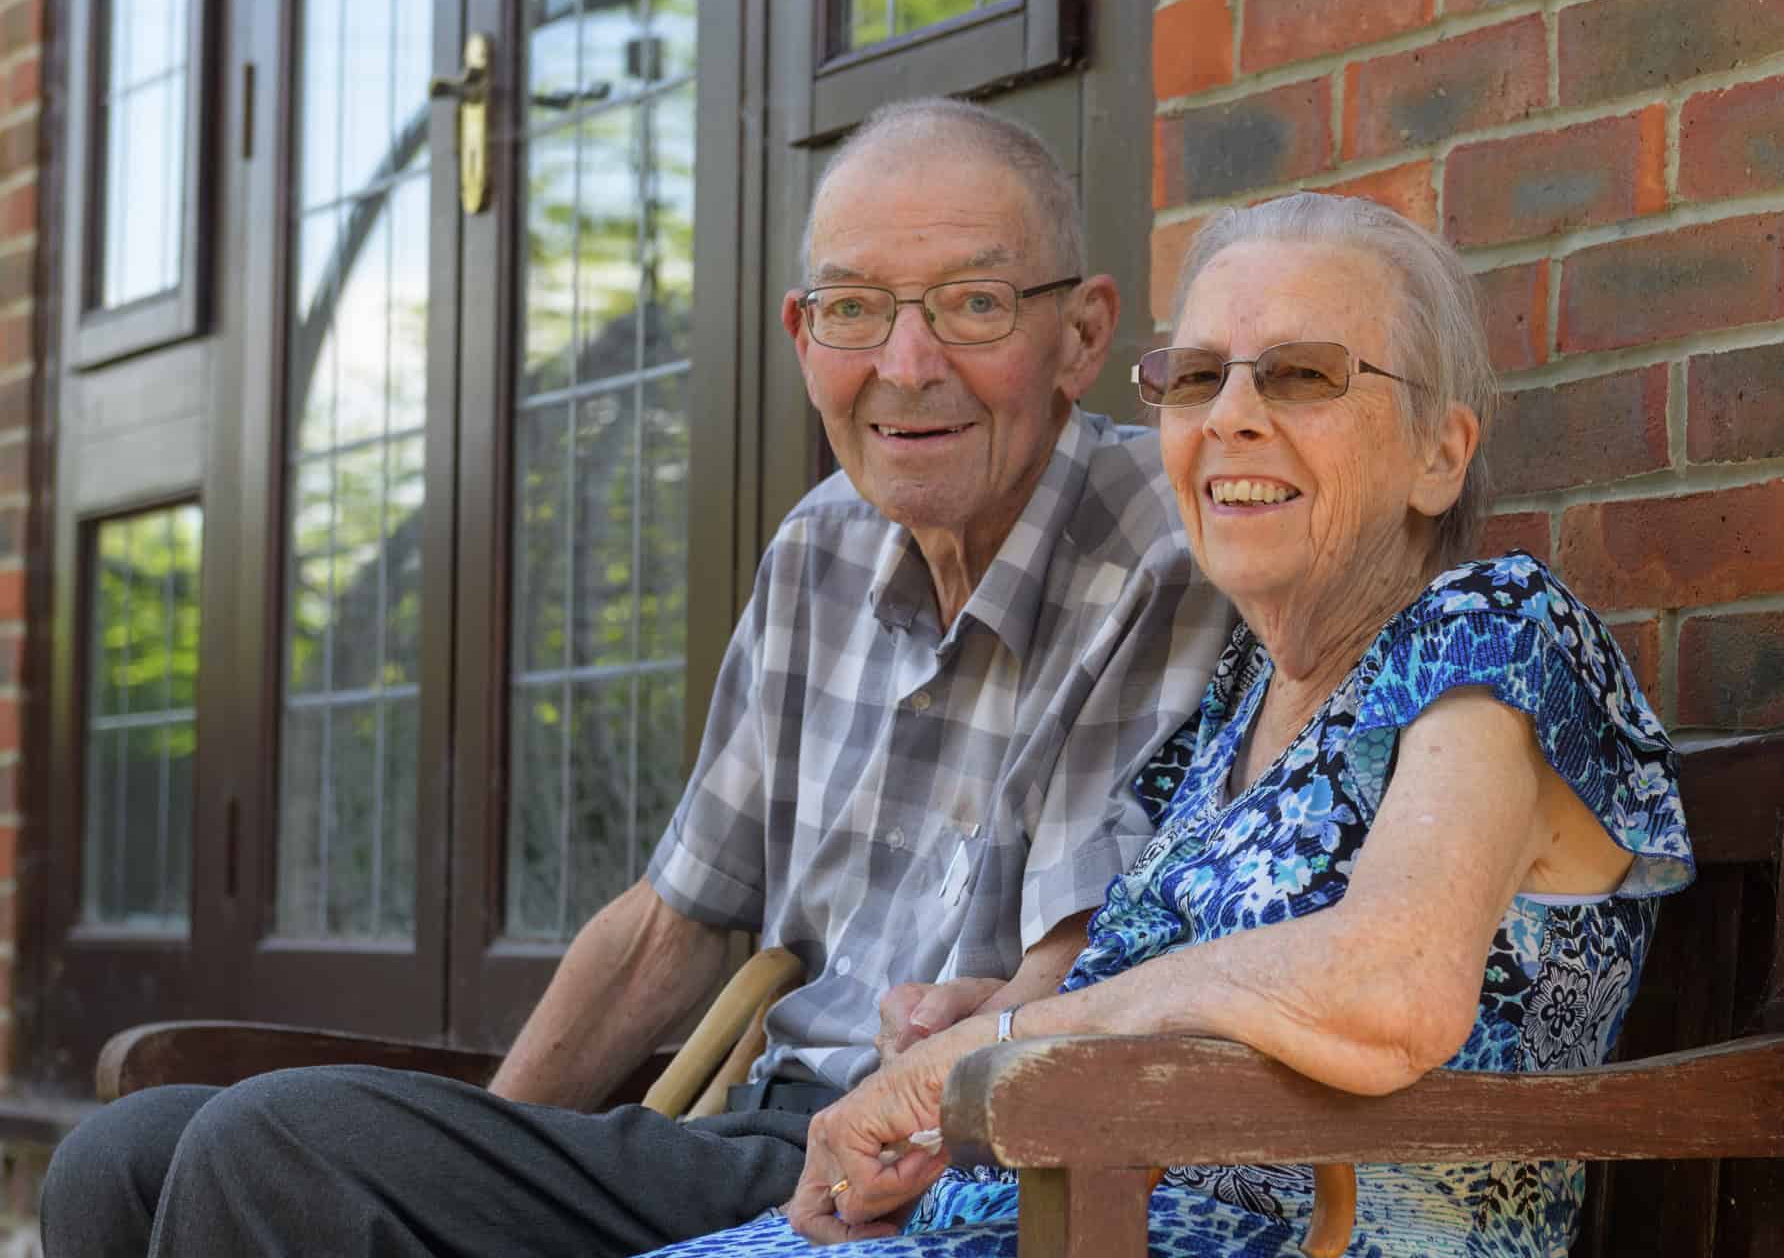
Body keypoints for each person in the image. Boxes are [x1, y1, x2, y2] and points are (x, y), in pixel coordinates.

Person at [40, 99, 1233, 1258]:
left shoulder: (1161, 543)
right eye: (855, 310)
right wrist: (478, 1144)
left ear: (1081, 334)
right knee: (125, 1152)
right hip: (749, 1126)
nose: (906, 363)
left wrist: (387, 1158)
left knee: (272, 1146)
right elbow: (676, 919)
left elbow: (1077, 959)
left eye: (973, 304)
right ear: (802, 336)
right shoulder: (820, 547)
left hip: (910, 1163)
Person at [651, 192, 1695, 1258]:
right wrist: (965, 1035)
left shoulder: (1500, 630)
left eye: (1300, 374)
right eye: (1195, 377)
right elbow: (1119, 995)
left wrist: (1008, 1042)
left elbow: (1393, 985)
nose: (1228, 416)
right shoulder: (1233, 700)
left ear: (1439, 452)